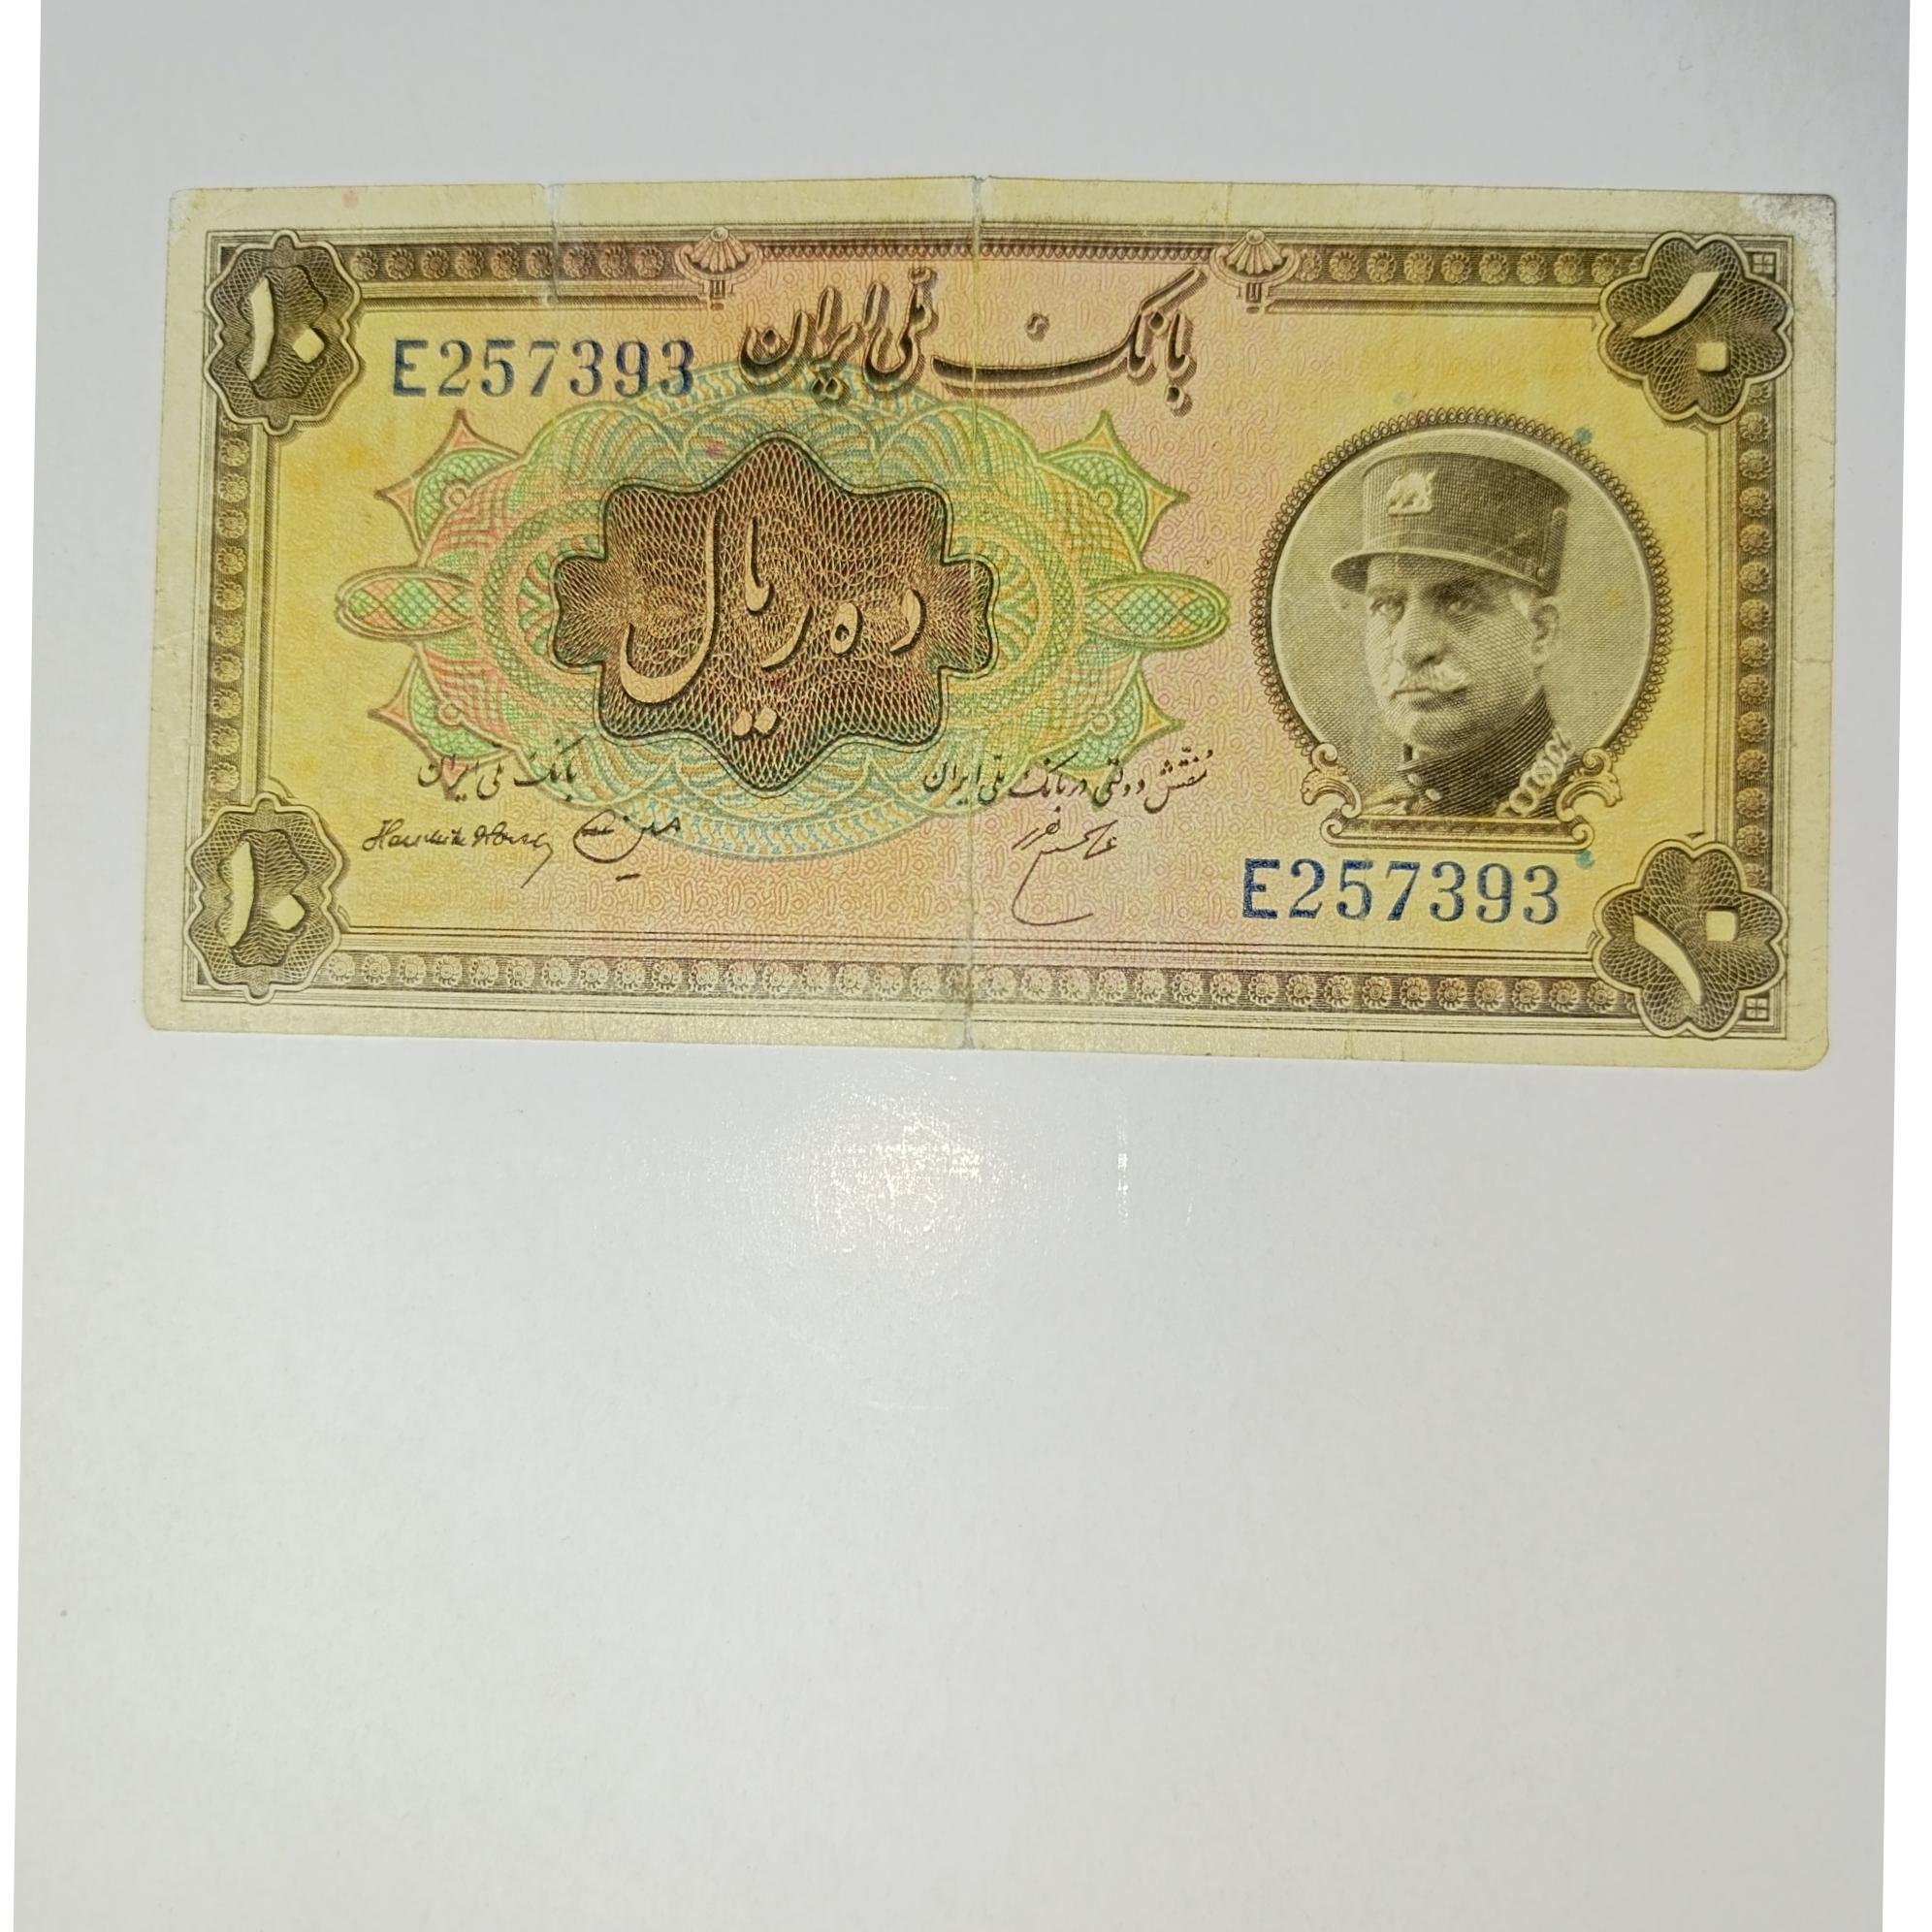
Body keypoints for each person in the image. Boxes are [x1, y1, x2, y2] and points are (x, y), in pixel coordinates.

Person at [1331, 449, 1577, 818]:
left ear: (1540, 633)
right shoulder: (1377, 813)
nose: (1410, 648)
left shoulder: (1579, 804)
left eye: (1459, 604)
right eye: (1386, 605)